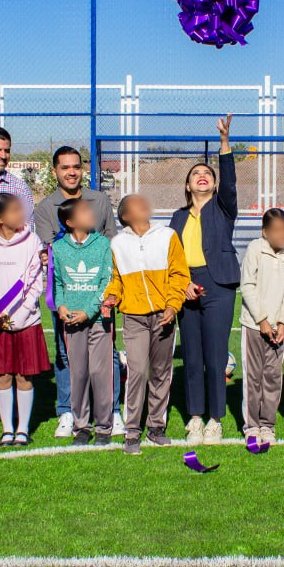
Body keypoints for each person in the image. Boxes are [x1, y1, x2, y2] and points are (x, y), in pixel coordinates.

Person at [33, 145, 121, 439]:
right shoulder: (46, 207)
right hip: (69, 297)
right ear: (55, 171)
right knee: (67, 356)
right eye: (65, 167)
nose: (71, 172)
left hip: (99, 294)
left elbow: (111, 243)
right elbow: (52, 251)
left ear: (82, 169)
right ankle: (69, 412)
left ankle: (112, 413)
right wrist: (60, 303)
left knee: (105, 356)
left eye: (76, 166)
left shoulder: (99, 199)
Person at [170, 115, 240, 446]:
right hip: (187, 285)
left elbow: (229, 184)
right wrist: (182, 284)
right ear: (187, 185)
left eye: (207, 174)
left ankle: (216, 419)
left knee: (215, 356)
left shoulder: (223, 207)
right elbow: (172, 257)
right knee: (193, 357)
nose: (202, 177)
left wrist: (225, 143)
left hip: (219, 285)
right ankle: (195, 417)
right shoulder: (178, 217)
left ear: (213, 184)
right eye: (196, 174)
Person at [104, 194, 190, 456]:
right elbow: (116, 278)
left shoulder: (167, 236)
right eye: (136, 204)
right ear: (126, 215)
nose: (144, 205)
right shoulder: (117, 243)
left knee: (162, 372)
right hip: (133, 317)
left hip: (164, 315)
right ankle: (132, 431)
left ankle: (156, 426)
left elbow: (179, 274)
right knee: (138, 370)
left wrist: (172, 305)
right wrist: (111, 296)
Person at [0, 193, 48, 448]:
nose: (21, 215)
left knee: (24, 376)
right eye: (14, 211)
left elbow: (35, 282)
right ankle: (7, 429)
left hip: (27, 321)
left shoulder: (32, 241)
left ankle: (23, 429)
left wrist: (22, 312)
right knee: (3, 376)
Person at [52, 197, 115, 446]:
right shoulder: (59, 248)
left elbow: (106, 282)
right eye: (83, 211)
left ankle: (104, 427)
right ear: (70, 221)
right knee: (78, 373)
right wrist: (61, 305)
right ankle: (81, 426)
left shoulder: (103, 245)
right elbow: (57, 283)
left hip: (99, 320)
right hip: (72, 321)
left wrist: (89, 311)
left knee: (100, 373)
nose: (90, 213)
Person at [239, 208, 284, 446]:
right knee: (252, 377)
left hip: (278, 327)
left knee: (273, 378)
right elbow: (247, 285)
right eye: (275, 230)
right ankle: (252, 426)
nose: (281, 235)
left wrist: (281, 322)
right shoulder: (256, 248)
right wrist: (262, 319)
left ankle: (268, 425)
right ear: (265, 232)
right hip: (253, 325)